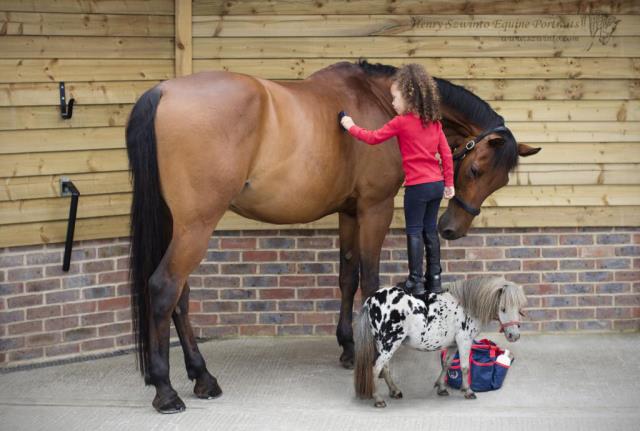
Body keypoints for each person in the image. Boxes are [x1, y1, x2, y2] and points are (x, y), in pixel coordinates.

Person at [339, 64, 454, 297]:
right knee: (430, 230)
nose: (393, 104)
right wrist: (449, 183)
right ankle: (435, 278)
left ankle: (415, 281)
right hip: (435, 185)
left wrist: (349, 126)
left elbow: (372, 138)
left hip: (417, 187)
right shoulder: (434, 123)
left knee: (413, 231)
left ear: (409, 98)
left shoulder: (401, 122)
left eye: (395, 98)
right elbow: (446, 153)